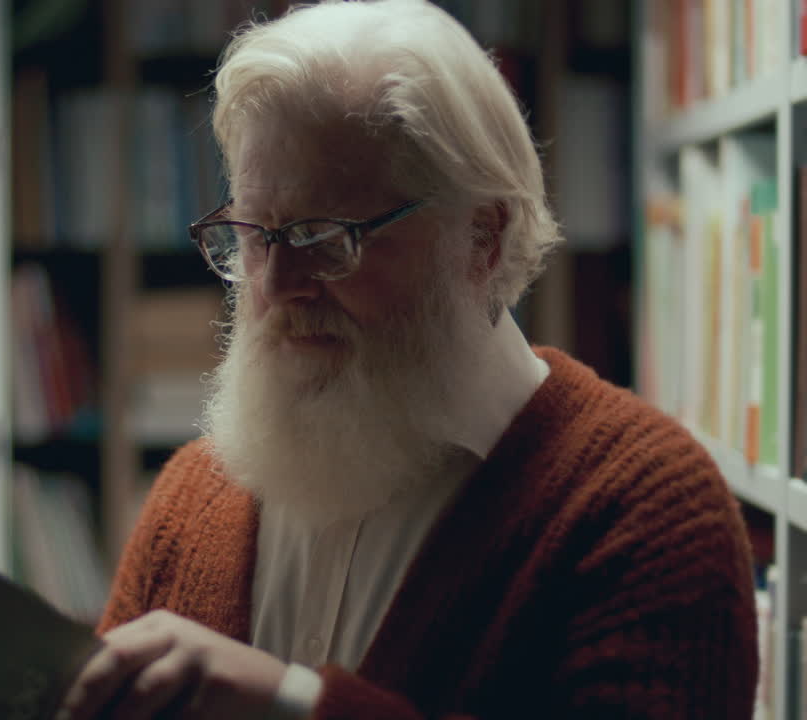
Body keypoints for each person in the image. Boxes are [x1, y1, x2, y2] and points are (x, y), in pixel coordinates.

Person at [56, 1, 757, 718]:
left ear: (482, 238)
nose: (278, 286)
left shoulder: (645, 512)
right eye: (256, 236)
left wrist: (291, 706)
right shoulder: (192, 494)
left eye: (325, 238)